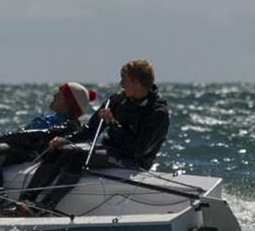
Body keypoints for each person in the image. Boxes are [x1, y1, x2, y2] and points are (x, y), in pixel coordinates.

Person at [13, 59, 170, 216]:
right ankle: (26, 200)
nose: (121, 83)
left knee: (79, 154)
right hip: (110, 151)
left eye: (124, 79)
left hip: (133, 160)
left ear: (138, 82)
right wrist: (66, 139)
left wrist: (114, 124)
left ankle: (46, 206)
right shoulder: (117, 100)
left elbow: (139, 150)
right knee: (63, 149)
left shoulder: (158, 112)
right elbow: (90, 129)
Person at [0, 82, 97, 201]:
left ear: (69, 102)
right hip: (12, 147)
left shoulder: (71, 124)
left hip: (27, 153)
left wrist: (8, 137)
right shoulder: (49, 118)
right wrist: (9, 138)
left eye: (59, 94)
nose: (54, 96)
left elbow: (39, 137)